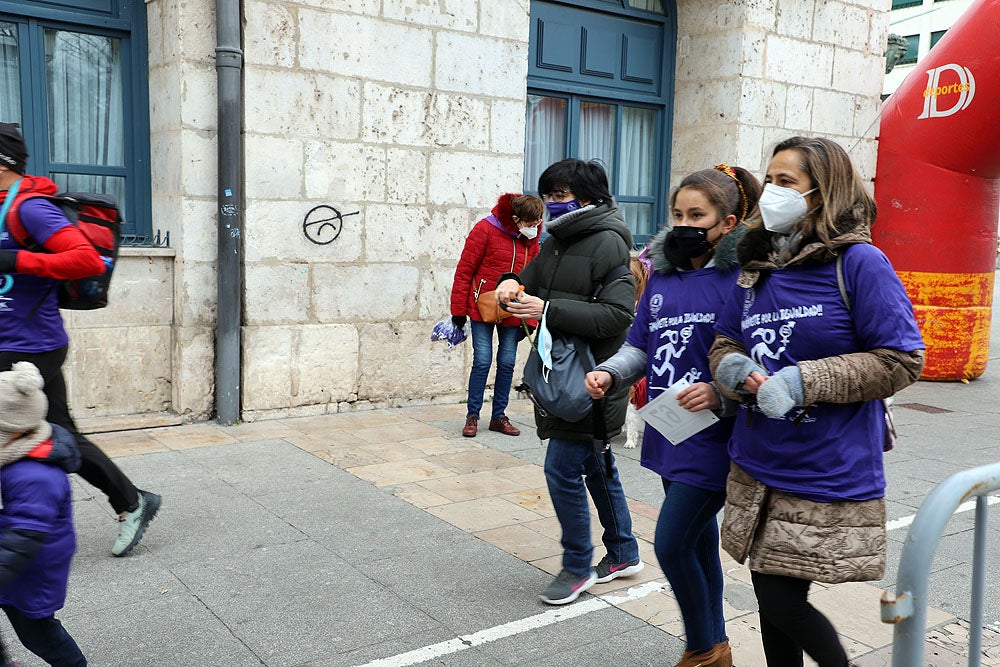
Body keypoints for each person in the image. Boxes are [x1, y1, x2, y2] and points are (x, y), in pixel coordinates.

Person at [707, 136, 925, 667]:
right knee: (773, 600)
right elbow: (725, 341)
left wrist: (802, 382)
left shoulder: (860, 263)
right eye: (770, 179)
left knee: (782, 601)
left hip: (825, 464)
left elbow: (901, 358)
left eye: (787, 182)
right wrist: (737, 369)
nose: (771, 192)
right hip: (758, 462)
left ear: (821, 194)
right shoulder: (757, 265)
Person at [586, 164, 762, 667]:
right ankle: (717, 644)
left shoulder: (742, 279)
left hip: (717, 435)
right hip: (669, 428)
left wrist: (721, 393)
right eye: (677, 213)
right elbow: (639, 345)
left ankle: (700, 649)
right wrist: (609, 372)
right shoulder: (662, 277)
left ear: (727, 223)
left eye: (697, 215)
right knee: (699, 542)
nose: (684, 223)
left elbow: (762, 357)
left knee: (671, 541)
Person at [0, 122, 161, 557]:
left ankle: (28, 533)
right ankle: (130, 501)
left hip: (29, 346)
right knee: (59, 430)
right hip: (14, 341)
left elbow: (85, 259)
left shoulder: (29, 208)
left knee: (29, 432)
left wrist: (17, 259)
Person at [497, 158, 642, 605]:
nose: (553, 205)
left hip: (592, 379)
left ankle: (577, 566)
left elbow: (619, 316)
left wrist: (548, 310)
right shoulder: (556, 241)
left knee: (562, 469)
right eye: (549, 196)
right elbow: (529, 280)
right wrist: (509, 284)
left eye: (561, 196)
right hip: (562, 372)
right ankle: (623, 552)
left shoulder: (608, 243)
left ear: (591, 197)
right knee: (598, 466)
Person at [0, 362, 86, 666]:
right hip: (16, 560)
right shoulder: (17, 454)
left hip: (29, 569)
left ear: (11, 431)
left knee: (38, 633)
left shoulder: (34, 475)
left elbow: (24, 535)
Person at [450, 193, 543, 437]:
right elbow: (464, 271)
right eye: (531, 224)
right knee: (482, 360)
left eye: (538, 224)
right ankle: (472, 415)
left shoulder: (532, 237)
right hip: (483, 305)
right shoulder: (485, 229)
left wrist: (530, 320)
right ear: (515, 218)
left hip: (514, 308)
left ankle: (498, 416)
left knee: (507, 362)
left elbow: (535, 279)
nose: (535, 229)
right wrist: (458, 312)